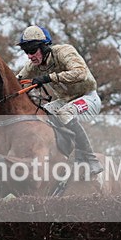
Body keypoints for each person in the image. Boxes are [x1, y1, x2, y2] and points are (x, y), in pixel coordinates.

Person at [15, 25, 104, 175]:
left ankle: (91, 160)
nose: (29, 56)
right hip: (65, 101)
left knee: (64, 113)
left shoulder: (64, 51)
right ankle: (59, 153)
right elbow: (16, 81)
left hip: (88, 98)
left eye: (32, 51)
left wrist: (48, 77)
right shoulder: (33, 65)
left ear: (43, 48)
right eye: (26, 52)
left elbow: (80, 73)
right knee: (44, 112)